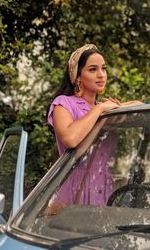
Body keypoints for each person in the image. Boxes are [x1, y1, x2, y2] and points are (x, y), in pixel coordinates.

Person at [45, 44, 142, 213]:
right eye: (92, 69)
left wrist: (109, 107)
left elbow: (140, 105)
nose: (101, 75)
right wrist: (98, 110)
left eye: (103, 69)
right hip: (73, 193)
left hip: (104, 190)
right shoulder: (64, 104)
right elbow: (70, 138)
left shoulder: (104, 108)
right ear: (77, 77)